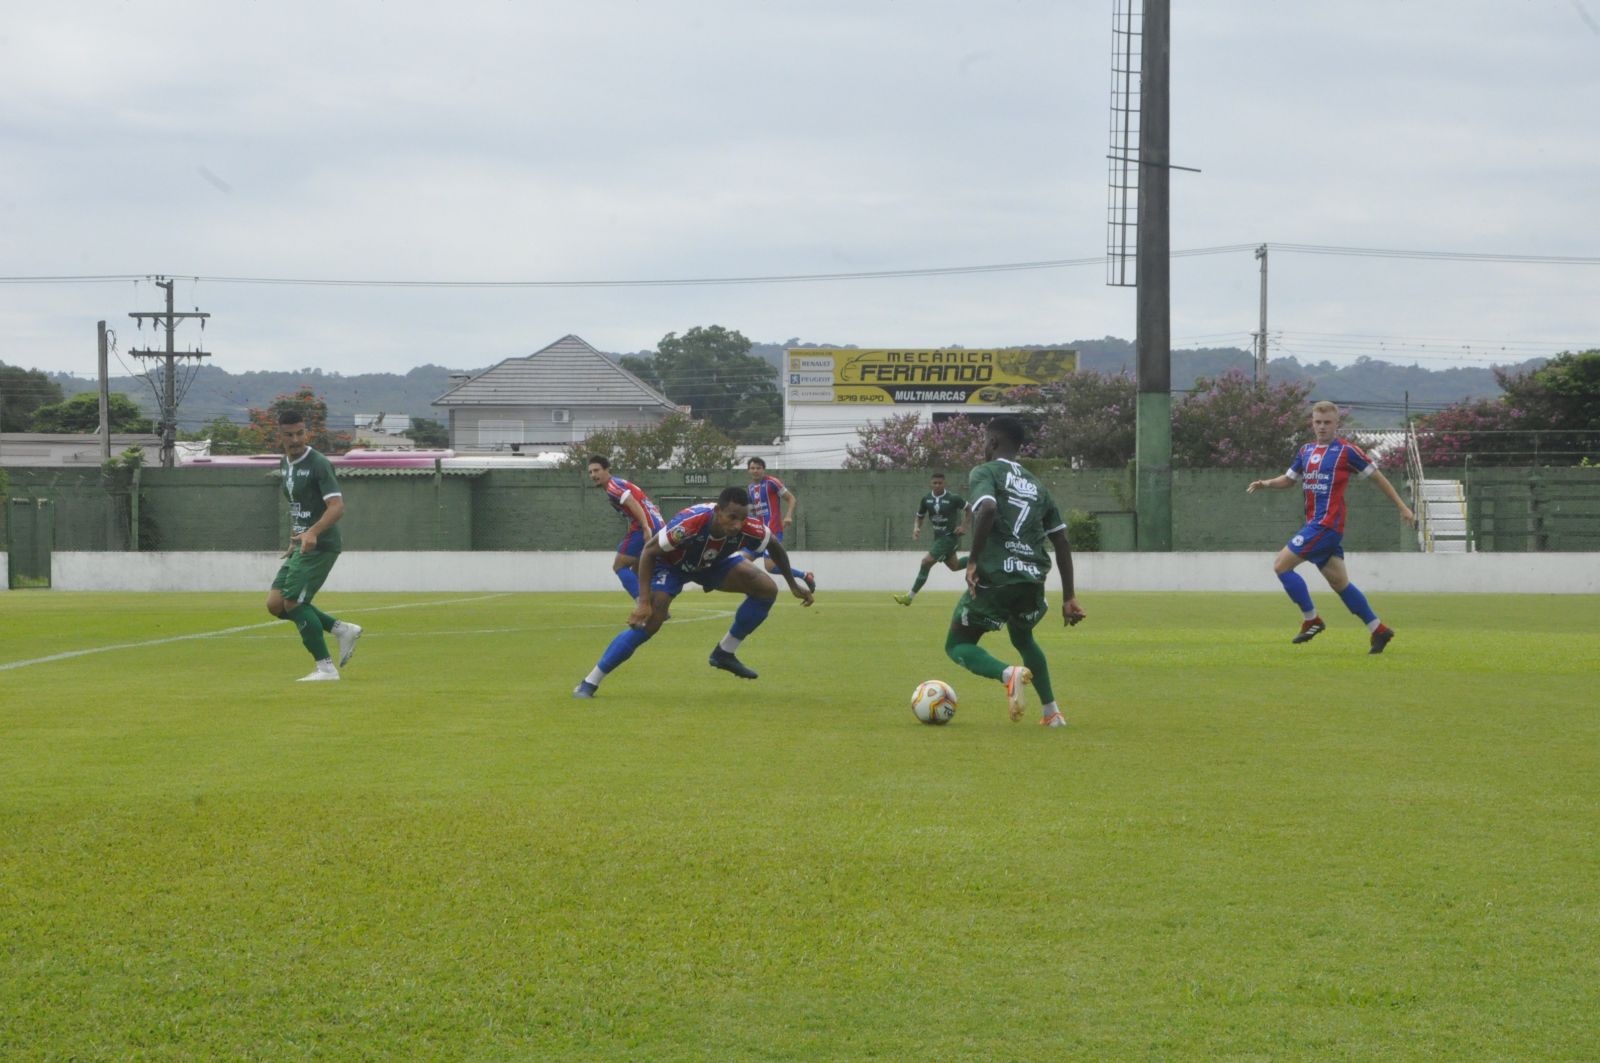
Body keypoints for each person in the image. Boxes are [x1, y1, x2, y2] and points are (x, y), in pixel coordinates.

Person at [572, 486, 815, 697]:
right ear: (718, 512)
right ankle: (590, 681)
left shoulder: (749, 527)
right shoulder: (690, 524)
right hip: (671, 565)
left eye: (742, 518)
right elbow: (648, 551)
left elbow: (775, 547)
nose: (737, 524)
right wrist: (643, 601)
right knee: (652, 620)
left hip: (711, 565)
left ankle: (724, 653)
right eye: (731, 517)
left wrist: (792, 585)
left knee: (765, 589)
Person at [945, 416, 1085, 726]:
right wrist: (1069, 596)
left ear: (993, 442)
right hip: (1031, 578)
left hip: (998, 575)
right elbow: (1061, 539)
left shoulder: (985, 471)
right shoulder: (1038, 486)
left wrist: (972, 562)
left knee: (957, 644)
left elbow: (989, 509)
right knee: (1023, 638)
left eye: (984, 441)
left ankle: (1009, 675)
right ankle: (1052, 712)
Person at [1247, 400, 1416, 654]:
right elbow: (1289, 480)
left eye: (1327, 423)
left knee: (1281, 566)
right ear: (1312, 423)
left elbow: (1379, 479)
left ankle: (1311, 619)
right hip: (1316, 525)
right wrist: (1266, 483)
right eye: (1318, 422)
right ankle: (1378, 629)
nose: (1322, 427)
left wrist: (1402, 507)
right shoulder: (1305, 451)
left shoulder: (1348, 452)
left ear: (1337, 424)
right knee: (1340, 583)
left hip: (1326, 526)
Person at [266, 409, 362, 682]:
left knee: (294, 603)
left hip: (321, 544)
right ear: (280, 436)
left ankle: (326, 669)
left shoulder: (318, 463)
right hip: (302, 543)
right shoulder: (285, 463)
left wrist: (313, 533)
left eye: (300, 433)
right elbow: (300, 509)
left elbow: (337, 507)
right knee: (276, 605)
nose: (295, 439)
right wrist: (296, 537)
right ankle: (340, 629)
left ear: (306, 432)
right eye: (289, 435)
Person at [587, 454, 665, 600]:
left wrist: (646, 527)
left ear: (607, 470)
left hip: (646, 527)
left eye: (597, 470)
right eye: (590, 472)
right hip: (658, 526)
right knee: (637, 569)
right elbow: (643, 504)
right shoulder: (620, 483)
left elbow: (632, 502)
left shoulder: (612, 486)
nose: (593, 475)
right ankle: (656, 605)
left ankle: (644, 604)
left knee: (619, 565)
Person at [892, 472, 969, 605]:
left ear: (945, 483)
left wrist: (963, 526)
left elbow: (970, 509)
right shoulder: (926, 499)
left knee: (926, 562)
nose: (937, 485)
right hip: (938, 538)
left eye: (940, 483)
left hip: (949, 538)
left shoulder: (953, 498)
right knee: (955, 566)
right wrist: (916, 528)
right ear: (931, 484)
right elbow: (919, 516)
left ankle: (909, 597)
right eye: (935, 483)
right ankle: (979, 559)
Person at [745, 457, 815, 592]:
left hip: (772, 531)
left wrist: (788, 516)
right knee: (741, 561)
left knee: (770, 567)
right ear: (748, 470)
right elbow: (752, 510)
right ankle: (752, 591)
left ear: (763, 469)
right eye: (752, 468)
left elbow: (791, 498)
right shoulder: (750, 488)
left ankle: (805, 576)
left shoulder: (772, 482)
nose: (755, 471)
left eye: (758, 468)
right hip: (757, 532)